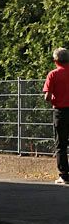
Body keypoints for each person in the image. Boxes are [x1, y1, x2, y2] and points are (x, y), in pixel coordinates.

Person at [43, 47, 69, 185]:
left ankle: (64, 175)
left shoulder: (53, 74)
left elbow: (47, 96)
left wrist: (54, 98)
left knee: (61, 144)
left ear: (55, 60)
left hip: (61, 111)